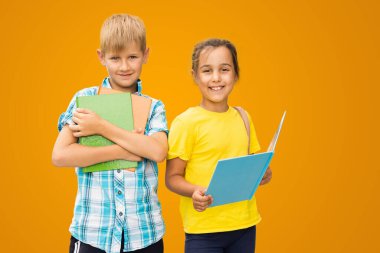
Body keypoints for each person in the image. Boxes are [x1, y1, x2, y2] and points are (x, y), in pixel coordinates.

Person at [52, 14, 167, 253]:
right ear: (101, 56)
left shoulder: (154, 106)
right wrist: (125, 149)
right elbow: (61, 155)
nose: (124, 67)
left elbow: (157, 151)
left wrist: (101, 127)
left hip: (144, 233)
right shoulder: (85, 100)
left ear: (145, 55)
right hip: (93, 232)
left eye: (132, 57)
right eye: (115, 58)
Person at [165, 38, 272, 253]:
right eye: (207, 70)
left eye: (224, 69)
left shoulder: (243, 117)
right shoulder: (186, 122)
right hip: (204, 231)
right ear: (195, 75)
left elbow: (250, 165)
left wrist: (263, 173)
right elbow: (172, 178)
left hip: (244, 225)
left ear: (235, 74)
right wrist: (195, 191)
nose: (216, 78)